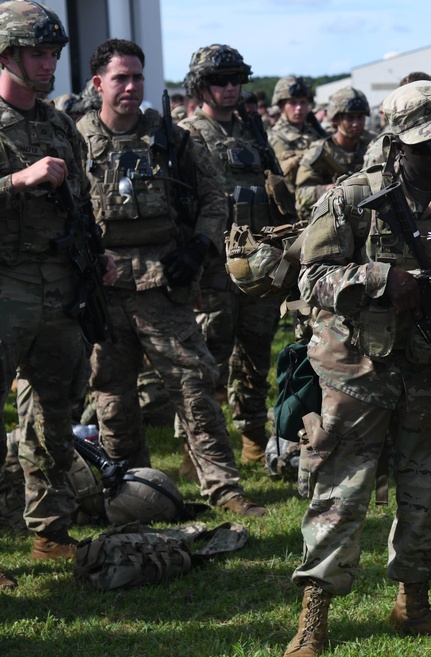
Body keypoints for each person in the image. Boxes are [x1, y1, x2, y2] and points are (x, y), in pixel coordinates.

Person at [280, 80, 431, 657]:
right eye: (427, 146)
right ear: (397, 145)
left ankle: (414, 602)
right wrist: (378, 280)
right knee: (340, 493)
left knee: (428, 489)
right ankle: (313, 620)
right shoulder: (351, 196)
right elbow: (309, 279)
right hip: (357, 369)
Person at [78, 38, 265, 516]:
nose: (131, 86)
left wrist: (199, 245)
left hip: (165, 284)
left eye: (138, 77)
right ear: (99, 83)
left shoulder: (173, 138)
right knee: (113, 400)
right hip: (105, 290)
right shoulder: (74, 139)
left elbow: (215, 198)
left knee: (195, 389)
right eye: (121, 77)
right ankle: (130, 490)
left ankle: (224, 488)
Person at [0, 0, 115, 561]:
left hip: (59, 282)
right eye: (37, 54)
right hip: (5, 282)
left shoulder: (58, 123)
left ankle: (50, 530)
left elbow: (82, 202)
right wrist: (16, 179)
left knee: (55, 413)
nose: (48, 65)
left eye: (53, 54)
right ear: (7, 54)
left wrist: (97, 254)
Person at [179, 44, 287, 466]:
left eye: (235, 80)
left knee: (256, 354)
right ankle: (198, 446)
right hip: (212, 266)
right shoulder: (185, 135)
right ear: (200, 86)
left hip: (258, 264)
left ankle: (252, 437)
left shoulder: (253, 137)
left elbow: (276, 196)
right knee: (208, 359)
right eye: (218, 81)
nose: (229, 88)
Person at [294, 87, 374, 218]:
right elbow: (301, 194)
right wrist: (332, 190)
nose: (356, 123)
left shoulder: (371, 144)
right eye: (350, 118)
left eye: (360, 117)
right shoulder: (320, 151)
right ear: (336, 120)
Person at [268, 75, 326, 184]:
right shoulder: (275, 137)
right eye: (293, 103)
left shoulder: (314, 132)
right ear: (281, 106)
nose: (299, 108)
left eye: (303, 102)